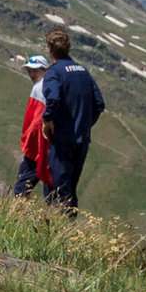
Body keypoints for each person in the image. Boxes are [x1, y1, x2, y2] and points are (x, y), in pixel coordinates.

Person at [41, 29, 105, 212]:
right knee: (71, 187)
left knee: (58, 187)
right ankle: (68, 228)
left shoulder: (54, 73)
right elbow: (99, 104)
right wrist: (84, 124)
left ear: (50, 49)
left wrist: (48, 121)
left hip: (62, 140)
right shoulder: (83, 72)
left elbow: (53, 98)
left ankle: (57, 230)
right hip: (82, 139)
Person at [13, 55, 53, 198]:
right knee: (48, 182)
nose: (31, 74)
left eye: (34, 70)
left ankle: (18, 212)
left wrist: (29, 139)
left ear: (44, 70)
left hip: (38, 145)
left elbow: (37, 120)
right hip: (42, 144)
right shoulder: (44, 85)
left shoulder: (41, 87)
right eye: (29, 70)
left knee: (23, 184)